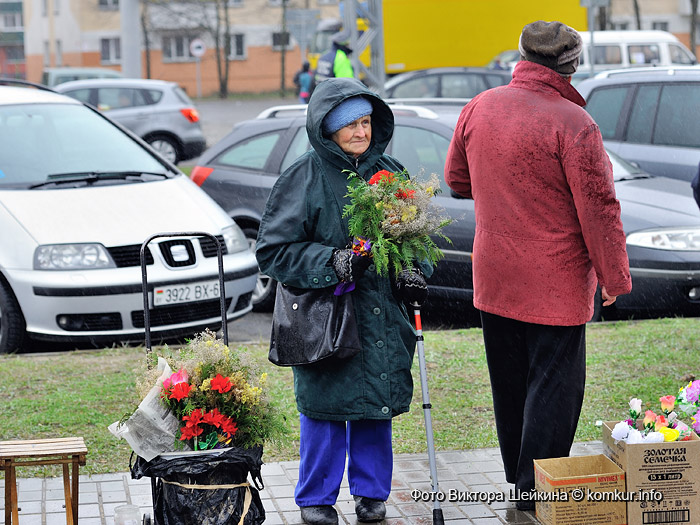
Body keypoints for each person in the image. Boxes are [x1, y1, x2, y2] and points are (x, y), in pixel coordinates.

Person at [444, 20, 632, 510]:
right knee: (554, 386)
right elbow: (599, 208)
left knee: (508, 382)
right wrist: (614, 278)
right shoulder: (573, 123)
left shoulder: (479, 107)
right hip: (556, 282)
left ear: (522, 57)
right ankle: (535, 491)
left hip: (495, 274)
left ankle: (518, 481)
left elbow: (456, 181)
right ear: (570, 65)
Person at [256, 77, 430, 525]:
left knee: (375, 404)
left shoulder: (390, 174)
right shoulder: (303, 177)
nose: (361, 132)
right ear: (326, 128)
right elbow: (273, 251)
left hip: (382, 319)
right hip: (325, 318)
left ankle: (372, 494)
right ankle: (316, 497)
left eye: (367, 122)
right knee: (324, 409)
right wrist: (331, 261)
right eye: (349, 124)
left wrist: (415, 271)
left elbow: (417, 242)